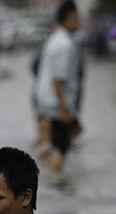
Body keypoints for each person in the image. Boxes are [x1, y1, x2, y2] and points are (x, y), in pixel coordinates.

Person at [34, 1, 83, 173]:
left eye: (78, 18)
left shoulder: (56, 38)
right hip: (58, 103)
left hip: (47, 100)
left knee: (70, 132)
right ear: (63, 19)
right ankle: (56, 181)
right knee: (61, 147)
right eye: (73, 19)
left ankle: (44, 154)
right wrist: (65, 109)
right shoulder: (65, 44)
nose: (77, 23)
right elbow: (57, 79)